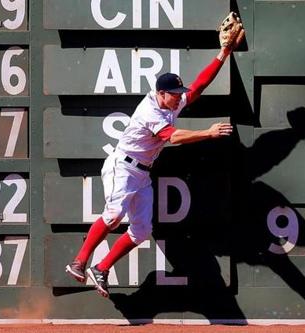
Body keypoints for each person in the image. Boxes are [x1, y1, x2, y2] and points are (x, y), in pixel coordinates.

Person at [65, 41, 238, 298]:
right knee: (113, 215)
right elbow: (175, 138)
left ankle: (101, 268)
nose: (179, 96)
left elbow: (199, 86)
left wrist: (222, 54)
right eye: (174, 93)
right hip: (122, 167)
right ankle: (79, 261)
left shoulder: (170, 103)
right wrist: (208, 133)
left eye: (179, 92)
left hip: (142, 173)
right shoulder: (150, 111)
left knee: (142, 230)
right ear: (161, 93)